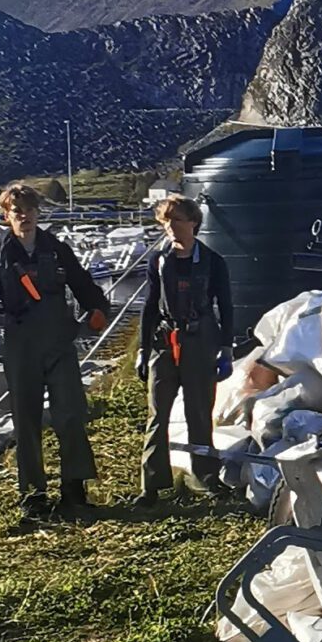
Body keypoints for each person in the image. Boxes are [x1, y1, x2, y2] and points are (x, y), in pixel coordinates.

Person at [0, 182, 113, 516]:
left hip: (59, 343)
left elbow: (84, 285)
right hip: (21, 345)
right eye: (17, 211)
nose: (24, 216)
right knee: (25, 421)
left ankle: (75, 489)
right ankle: (33, 495)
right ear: (6, 215)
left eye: (29, 210)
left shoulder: (56, 249)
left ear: (38, 213)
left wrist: (97, 310)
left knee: (70, 415)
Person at [134, 193, 233, 504]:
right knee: (157, 414)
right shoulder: (158, 260)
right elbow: (149, 307)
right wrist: (143, 349)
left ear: (193, 223)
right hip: (165, 341)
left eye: (177, 220)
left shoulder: (214, 262)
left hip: (201, 341)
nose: (171, 227)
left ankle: (206, 478)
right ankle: (151, 486)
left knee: (200, 413)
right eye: (166, 221)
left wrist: (226, 350)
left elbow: (226, 307)